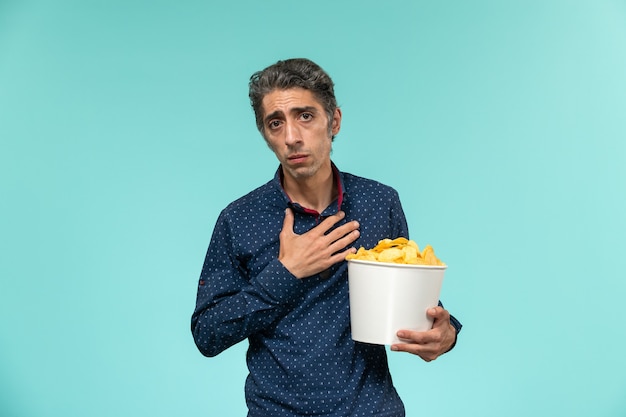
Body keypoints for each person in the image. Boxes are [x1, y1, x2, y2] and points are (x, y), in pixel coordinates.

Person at [191, 58, 462, 417]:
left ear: (333, 121)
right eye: (276, 123)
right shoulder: (239, 219)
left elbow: (411, 299)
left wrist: (446, 333)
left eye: (305, 116)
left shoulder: (380, 202)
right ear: (265, 134)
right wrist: (285, 273)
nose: (291, 137)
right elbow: (207, 334)